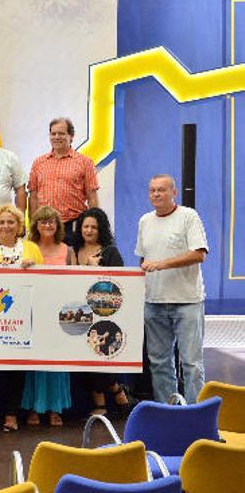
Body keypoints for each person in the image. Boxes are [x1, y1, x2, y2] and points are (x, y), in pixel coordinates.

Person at [135, 174, 208, 404]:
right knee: (158, 362)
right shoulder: (145, 221)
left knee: (191, 363)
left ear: (174, 193)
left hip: (187, 301)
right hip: (154, 302)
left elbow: (199, 253)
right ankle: (168, 412)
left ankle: (196, 414)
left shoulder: (188, 217)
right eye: (152, 190)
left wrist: (162, 264)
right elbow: (144, 259)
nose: (156, 194)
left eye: (162, 190)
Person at [0, 203, 43, 432]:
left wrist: (33, 268)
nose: (6, 226)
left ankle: (11, 414)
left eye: (11, 222)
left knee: (15, 368)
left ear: (19, 225)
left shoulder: (32, 249)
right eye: (1, 222)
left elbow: (44, 281)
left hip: (21, 317)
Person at [72, 207, 132, 415]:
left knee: (98, 354)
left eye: (93, 227)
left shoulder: (110, 251)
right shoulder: (73, 249)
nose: (88, 230)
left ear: (101, 230)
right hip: (77, 313)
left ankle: (105, 403)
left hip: (104, 313)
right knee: (83, 359)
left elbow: (119, 283)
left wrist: (96, 269)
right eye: (85, 226)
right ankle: (115, 391)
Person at [21, 206, 73, 426]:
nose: (47, 225)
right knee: (34, 363)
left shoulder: (67, 250)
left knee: (57, 363)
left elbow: (77, 281)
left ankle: (55, 408)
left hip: (60, 312)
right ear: (35, 226)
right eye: (42, 222)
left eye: (51, 221)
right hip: (33, 310)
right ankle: (34, 407)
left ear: (58, 225)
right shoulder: (27, 248)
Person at [28, 117, 99, 243]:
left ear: (71, 136)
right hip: (45, 226)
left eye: (61, 133)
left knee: (72, 262)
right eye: (53, 133)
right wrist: (33, 225)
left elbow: (92, 197)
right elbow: (33, 196)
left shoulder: (85, 162)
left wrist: (94, 225)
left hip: (73, 225)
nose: (56, 137)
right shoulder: (38, 163)